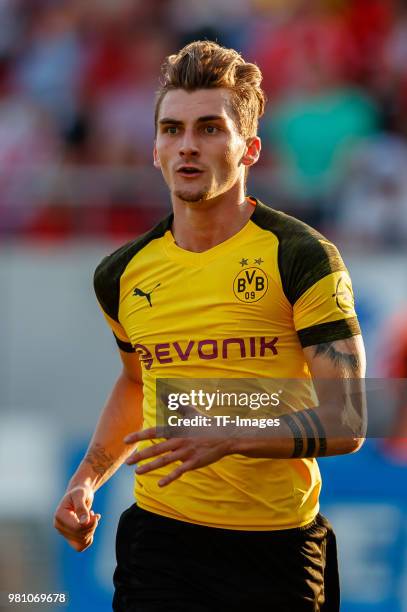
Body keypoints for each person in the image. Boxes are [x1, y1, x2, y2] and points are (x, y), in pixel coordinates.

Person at [54, 41, 366, 611]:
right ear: (154, 149)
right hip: (161, 541)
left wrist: (228, 434)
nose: (188, 146)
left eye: (210, 129)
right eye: (172, 129)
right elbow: (135, 382)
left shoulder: (300, 255)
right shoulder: (122, 274)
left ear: (249, 149)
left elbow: (347, 417)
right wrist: (87, 480)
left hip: (278, 549)